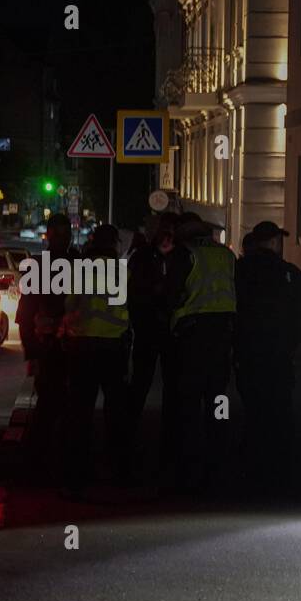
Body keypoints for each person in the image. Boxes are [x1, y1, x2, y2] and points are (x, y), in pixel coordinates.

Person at [234, 221, 301, 488]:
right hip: (279, 354)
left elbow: (232, 308)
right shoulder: (289, 272)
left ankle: (251, 464)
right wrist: (290, 344)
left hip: (248, 352)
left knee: (254, 408)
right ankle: (280, 467)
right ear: (273, 242)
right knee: (280, 408)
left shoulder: (239, 271)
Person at [165, 212, 237, 496]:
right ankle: (217, 465)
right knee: (217, 401)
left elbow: (172, 294)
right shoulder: (226, 256)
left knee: (189, 406)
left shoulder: (185, 254)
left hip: (192, 337)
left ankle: (188, 471)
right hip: (222, 338)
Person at [61, 223, 131, 497]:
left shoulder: (82, 270)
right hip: (114, 347)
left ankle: (78, 475)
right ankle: (118, 472)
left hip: (83, 346)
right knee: (116, 412)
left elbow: (70, 305)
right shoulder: (123, 271)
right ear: (114, 244)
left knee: (80, 412)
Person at [17, 213, 77, 476]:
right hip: (64, 347)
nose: (64, 239)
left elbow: (24, 316)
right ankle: (54, 462)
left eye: (66, 234)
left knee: (52, 406)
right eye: (62, 234)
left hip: (59, 347)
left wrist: (31, 352)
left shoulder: (40, 265)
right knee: (60, 406)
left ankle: (41, 462)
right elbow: (25, 314)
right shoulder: (78, 264)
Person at [126, 212, 180, 473]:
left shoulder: (179, 256)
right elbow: (134, 293)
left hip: (169, 331)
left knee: (172, 386)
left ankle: (169, 440)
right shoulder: (144, 257)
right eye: (163, 229)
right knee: (141, 383)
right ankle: (129, 435)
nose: (167, 235)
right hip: (150, 328)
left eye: (171, 230)